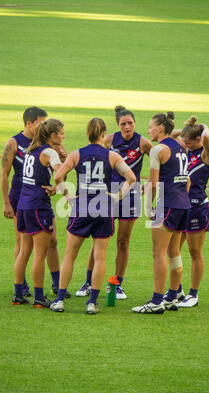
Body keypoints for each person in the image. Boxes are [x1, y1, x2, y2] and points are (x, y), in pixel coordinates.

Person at [49, 118, 136, 314]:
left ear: (87, 133)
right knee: (100, 257)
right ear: (103, 134)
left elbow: (57, 177)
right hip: (104, 208)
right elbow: (131, 177)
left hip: (82, 207)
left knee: (70, 254)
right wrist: (117, 196)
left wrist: (69, 196)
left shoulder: (76, 154)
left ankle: (60, 300)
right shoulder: (112, 156)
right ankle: (92, 303)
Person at [76, 106, 153, 300]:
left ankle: (117, 284)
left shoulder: (143, 143)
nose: (127, 127)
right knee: (99, 239)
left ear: (135, 123)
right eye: (123, 124)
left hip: (131, 195)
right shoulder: (109, 140)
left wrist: (150, 185)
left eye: (130, 123)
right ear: (118, 125)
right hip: (108, 194)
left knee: (122, 242)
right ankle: (88, 282)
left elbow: (158, 163)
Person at [0, 107, 68, 297]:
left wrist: (56, 184)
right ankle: (31, 291)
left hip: (30, 200)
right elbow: (4, 175)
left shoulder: (38, 147)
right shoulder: (16, 143)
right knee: (29, 247)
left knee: (45, 243)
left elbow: (57, 173)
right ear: (29, 123)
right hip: (27, 200)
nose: (43, 125)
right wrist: (6, 203)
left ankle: (50, 286)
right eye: (40, 122)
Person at [133, 112, 191, 314]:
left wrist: (149, 209)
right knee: (174, 253)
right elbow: (188, 181)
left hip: (166, 206)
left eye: (150, 127)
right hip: (183, 205)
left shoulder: (158, 150)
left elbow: (153, 184)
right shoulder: (181, 147)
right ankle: (172, 297)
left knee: (158, 253)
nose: (148, 130)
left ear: (160, 128)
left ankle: (157, 301)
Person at [173, 117, 209, 308]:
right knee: (173, 250)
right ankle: (176, 289)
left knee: (194, 251)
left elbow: (207, 138)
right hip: (182, 206)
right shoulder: (188, 150)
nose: (186, 145)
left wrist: (202, 126)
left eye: (189, 142)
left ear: (198, 139)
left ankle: (193, 294)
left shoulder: (207, 154)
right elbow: (173, 136)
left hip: (198, 208)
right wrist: (187, 128)